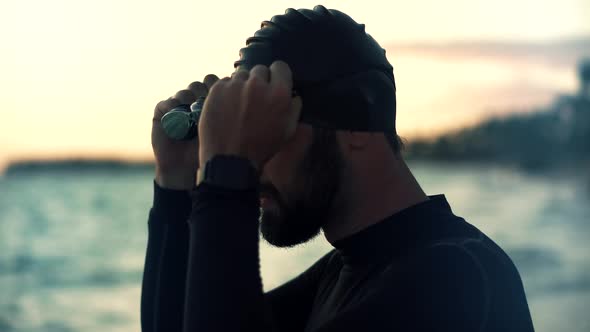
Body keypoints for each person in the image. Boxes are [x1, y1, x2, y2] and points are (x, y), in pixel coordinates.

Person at [141, 5, 535, 332]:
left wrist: (228, 175)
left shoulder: (456, 279)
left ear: (356, 126)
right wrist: (177, 185)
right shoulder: (347, 270)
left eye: (271, 128)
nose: (255, 158)